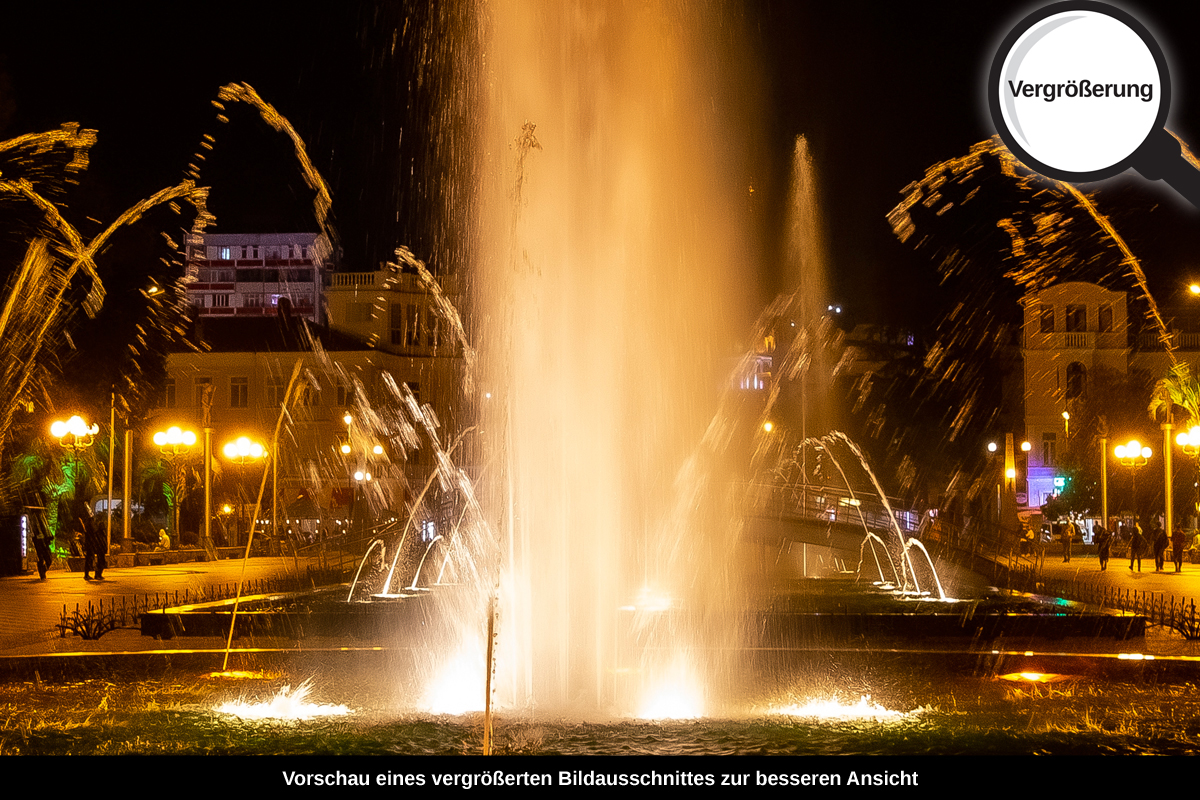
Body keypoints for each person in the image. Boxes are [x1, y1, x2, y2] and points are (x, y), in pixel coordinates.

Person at [79, 504, 106, 580]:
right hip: (92, 543)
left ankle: (95, 574)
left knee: (92, 558)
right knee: (91, 558)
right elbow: (93, 531)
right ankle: (92, 574)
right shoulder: (90, 523)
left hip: (94, 543)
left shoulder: (93, 522)